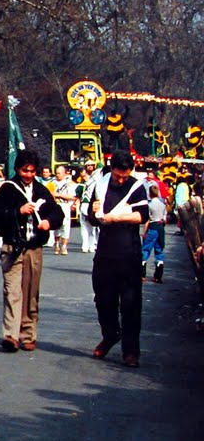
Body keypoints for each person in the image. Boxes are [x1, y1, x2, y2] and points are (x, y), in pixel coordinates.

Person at [0, 149, 64, 352]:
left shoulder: (41, 190)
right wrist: (17, 212)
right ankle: (11, 335)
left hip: (34, 247)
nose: (28, 175)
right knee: (12, 290)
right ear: (17, 169)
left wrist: (49, 222)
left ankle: (28, 333)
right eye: (24, 170)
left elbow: (57, 213)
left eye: (32, 171)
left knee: (31, 292)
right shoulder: (7, 189)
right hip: (12, 246)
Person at [89, 151, 149, 367]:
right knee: (103, 300)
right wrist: (93, 211)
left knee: (131, 304)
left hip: (129, 253)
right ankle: (110, 334)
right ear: (111, 169)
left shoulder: (136, 187)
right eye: (117, 176)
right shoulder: (100, 184)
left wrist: (116, 217)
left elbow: (142, 215)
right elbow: (92, 215)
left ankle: (131, 351)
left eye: (125, 176)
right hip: (105, 252)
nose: (121, 180)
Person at [50, 164, 77, 255]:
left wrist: (60, 195)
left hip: (65, 205)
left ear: (64, 173)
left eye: (59, 173)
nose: (57, 175)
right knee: (56, 225)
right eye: (56, 173)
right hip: (55, 206)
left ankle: (64, 246)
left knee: (65, 226)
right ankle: (57, 243)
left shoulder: (69, 184)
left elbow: (73, 197)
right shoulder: (52, 183)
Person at [142, 184, 166, 283]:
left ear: (149, 194)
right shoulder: (163, 204)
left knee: (145, 249)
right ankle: (158, 276)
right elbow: (164, 219)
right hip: (160, 227)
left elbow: (147, 220)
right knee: (159, 250)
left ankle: (142, 274)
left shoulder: (149, 205)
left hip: (152, 227)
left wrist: (144, 231)